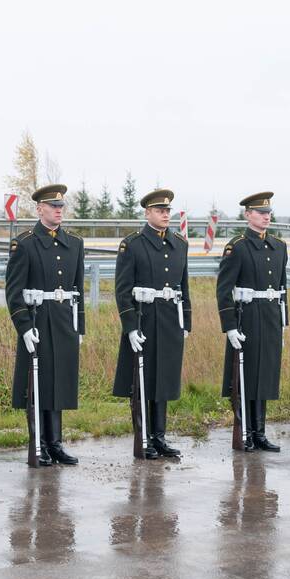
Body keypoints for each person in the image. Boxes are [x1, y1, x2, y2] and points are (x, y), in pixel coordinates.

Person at [4, 184, 86, 466]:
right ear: (39, 209)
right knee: (37, 384)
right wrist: (24, 326)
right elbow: (14, 291)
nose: (58, 210)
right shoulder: (25, 243)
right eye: (53, 206)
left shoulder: (74, 243)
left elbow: (78, 289)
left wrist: (79, 326)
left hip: (63, 320)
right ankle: (38, 443)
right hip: (38, 320)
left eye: (61, 206)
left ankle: (55, 443)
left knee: (59, 382)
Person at [112, 188, 191, 459]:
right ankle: (143, 437)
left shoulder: (179, 244)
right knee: (142, 381)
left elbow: (184, 286)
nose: (165, 215)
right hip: (144, 320)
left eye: (168, 210)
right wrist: (130, 326)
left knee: (164, 380)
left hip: (170, 319)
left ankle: (159, 437)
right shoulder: (133, 245)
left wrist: (186, 321)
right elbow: (122, 290)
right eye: (160, 210)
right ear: (147, 213)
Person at [216, 191, 288, 452]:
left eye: (268, 212)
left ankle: (259, 432)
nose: (266, 217)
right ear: (248, 215)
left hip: (270, 317)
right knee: (245, 377)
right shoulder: (237, 247)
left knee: (265, 375)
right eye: (260, 212)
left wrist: (284, 322)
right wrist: (230, 326)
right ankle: (244, 431)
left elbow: (282, 289)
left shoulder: (279, 246)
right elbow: (224, 289)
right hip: (246, 318)